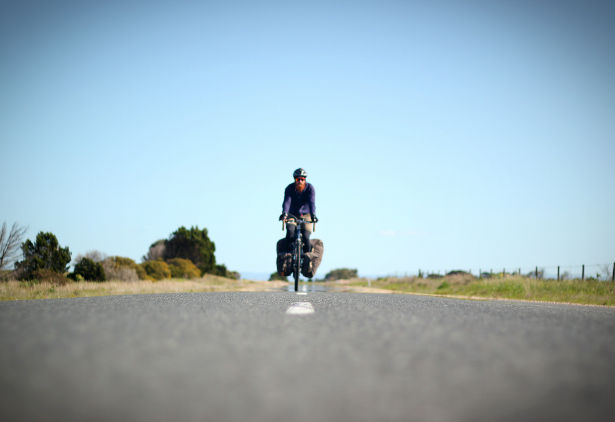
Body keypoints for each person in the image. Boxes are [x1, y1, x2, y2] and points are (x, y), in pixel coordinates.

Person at [279, 168, 318, 253]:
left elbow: (312, 202)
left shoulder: (310, 188)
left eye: (302, 179)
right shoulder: (289, 188)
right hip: (292, 214)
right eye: (297, 179)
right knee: (290, 232)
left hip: (306, 215)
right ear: (294, 180)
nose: (300, 181)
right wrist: (285, 213)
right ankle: (288, 255)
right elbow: (287, 202)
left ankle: (308, 258)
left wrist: (313, 215)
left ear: (305, 180)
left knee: (306, 236)